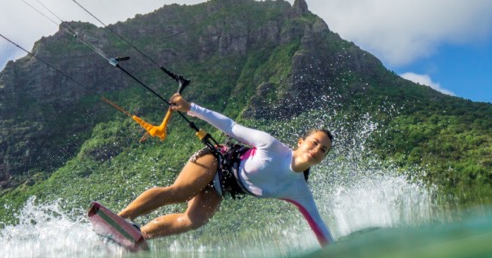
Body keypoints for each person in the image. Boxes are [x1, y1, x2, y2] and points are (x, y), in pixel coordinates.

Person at [118, 94, 335, 245]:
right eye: (314, 142)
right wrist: (190, 108)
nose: (317, 150)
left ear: (323, 158)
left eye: (323, 150)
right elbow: (230, 127)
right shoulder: (270, 146)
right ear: (300, 142)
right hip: (216, 161)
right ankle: (122, 218)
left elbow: (321, 228)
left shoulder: (299, 191)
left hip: (224, 185)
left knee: (195, 220)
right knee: (181, 192)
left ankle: (139, 235)